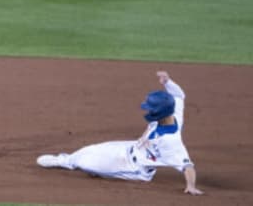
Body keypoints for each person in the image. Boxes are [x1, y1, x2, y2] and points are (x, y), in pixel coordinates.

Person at [37, 71, 204, 195]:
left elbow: (187, 166)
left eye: (151, 108)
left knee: (87, 163)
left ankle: (68, 162)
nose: (148, 110)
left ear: (160, 112)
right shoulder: (173, 111)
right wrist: (168, 82)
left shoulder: (171, 142)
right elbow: (179, 95)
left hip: (134, 168)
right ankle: (70, 160)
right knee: (91, 149)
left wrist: (191, 185)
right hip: (130, 147)